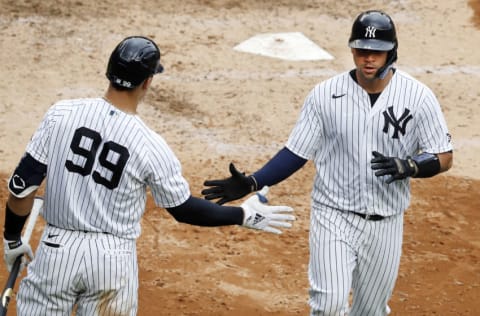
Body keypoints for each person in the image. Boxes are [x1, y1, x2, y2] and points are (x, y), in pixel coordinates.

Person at [2, 35, 295, 315]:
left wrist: (13, 238)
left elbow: (22, 188)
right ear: (148, 82)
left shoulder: (60, 115)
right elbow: (183, 210)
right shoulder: (150, 145)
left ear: (109, 71)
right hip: (112, 263)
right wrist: (241, 215)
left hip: (56, 251)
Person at [202, 10, 453, 316]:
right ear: (352, 50)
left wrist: (411, 167)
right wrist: (253, 181)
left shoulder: (418, 97)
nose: (368, 59)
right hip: (334, 215)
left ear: (392, 52)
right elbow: (297, 152)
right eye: (361, 51)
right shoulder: (325, 95)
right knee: (329, 305)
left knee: (370, 311)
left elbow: (443, 155)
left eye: (377, 52)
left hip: (386, 221)